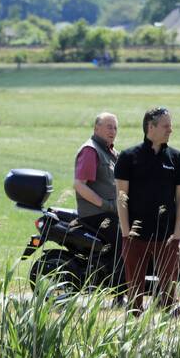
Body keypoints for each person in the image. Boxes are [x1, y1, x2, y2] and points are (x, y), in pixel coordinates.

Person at [114, 106, 180, 316]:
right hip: (135, 236)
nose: (170, 130)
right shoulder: (128, 157)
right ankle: (134, 332)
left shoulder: (176, 158)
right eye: (166, 126)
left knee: (169, 296)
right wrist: (127, 233)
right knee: (135, 293)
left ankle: (171, 334)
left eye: (170, 126)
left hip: (167, 237)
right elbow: (121, 198)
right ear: (150, 127)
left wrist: (178, 233)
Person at [73, 112, 122, 285]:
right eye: (109, 126)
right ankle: (119, 292)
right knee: (124, 240)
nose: (113, 131)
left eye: (115, 127)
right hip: (96, 214)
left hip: (110, 211)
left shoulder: (110, 152)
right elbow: (79, 185)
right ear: (96, 128)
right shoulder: (91, 150)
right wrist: (106, 205)